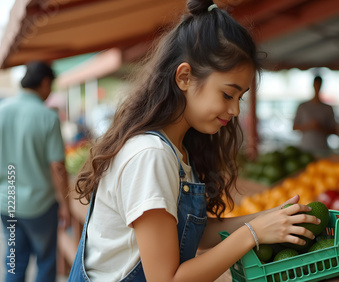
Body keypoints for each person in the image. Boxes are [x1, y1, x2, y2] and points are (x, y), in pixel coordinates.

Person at [68, 1, 320, 281]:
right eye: (227, 94)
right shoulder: (150, 156)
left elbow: (196, 234)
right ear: (185, 77)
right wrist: (253, 234)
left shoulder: (177, 151)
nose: (236, 110)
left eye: (240, 97)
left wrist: (266, 219)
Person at [0, 61, 71, 281]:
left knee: (15, 262)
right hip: (40, 205)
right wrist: (66, 205)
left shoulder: (1, 111)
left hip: (7, 201)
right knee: (46, 262)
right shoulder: (47, 116)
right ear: (45, 82)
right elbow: (58, 167)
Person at [293, 76, 336, 153]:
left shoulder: (327, 108)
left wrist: (321, 128)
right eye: (316, 85)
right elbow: (294, 127)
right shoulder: (303, 106)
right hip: (305, 148)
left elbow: (334, 130)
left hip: (322, 148)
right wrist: (309, 126)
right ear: (313, 85)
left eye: (319, 85)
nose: (317, 87)